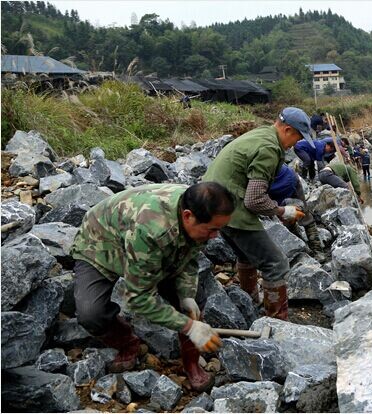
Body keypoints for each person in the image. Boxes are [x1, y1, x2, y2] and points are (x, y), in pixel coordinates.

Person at [71, 182, 234, 391]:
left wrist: (186, 295)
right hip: (101, 243)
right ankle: (128, 343)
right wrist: (189, 327)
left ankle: (191, 362)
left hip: (142, 243)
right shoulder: (152, 231)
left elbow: (189, 256)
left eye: (219, 229)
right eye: (212, 230)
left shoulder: (199, 207)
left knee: (192, 306)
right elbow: (138, 298)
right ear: (187, 216)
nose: (215, 237)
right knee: (91, 314)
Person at [203, 107, 313, 321]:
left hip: (209, 200)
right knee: (276, 264)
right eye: (298, 137)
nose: (296, 144)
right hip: (229, 206)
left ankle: (250, 302)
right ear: (288, 129)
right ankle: (277, 321)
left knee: (246, 254)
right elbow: (253, 200)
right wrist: (282, 211)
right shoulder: (269, 148)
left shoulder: (262, 133)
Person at [268, 163, 323, 256]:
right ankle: (310, 250)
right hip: (284, 179)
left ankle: (310, 249)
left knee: (298, 214)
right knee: (299, 214)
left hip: (284, 180)